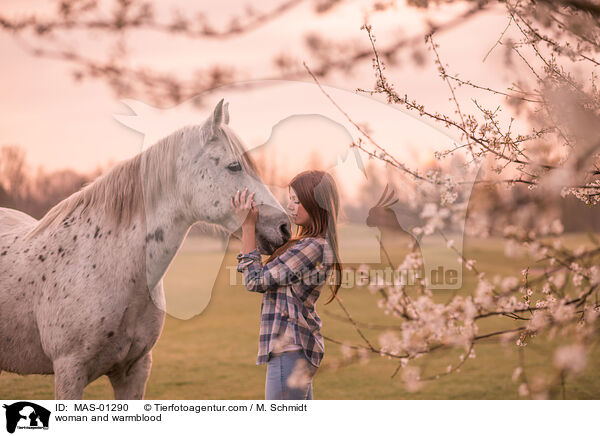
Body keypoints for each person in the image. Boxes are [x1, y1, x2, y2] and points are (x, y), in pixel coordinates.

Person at [231, 170, 342, 400]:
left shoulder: (312, 247)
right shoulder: (308, 245)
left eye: (297, 201)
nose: (290, 206)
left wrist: (247, 226)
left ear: (316, 204)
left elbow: (254, 280)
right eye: (290, 199)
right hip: (295, 351)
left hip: (290, 349)